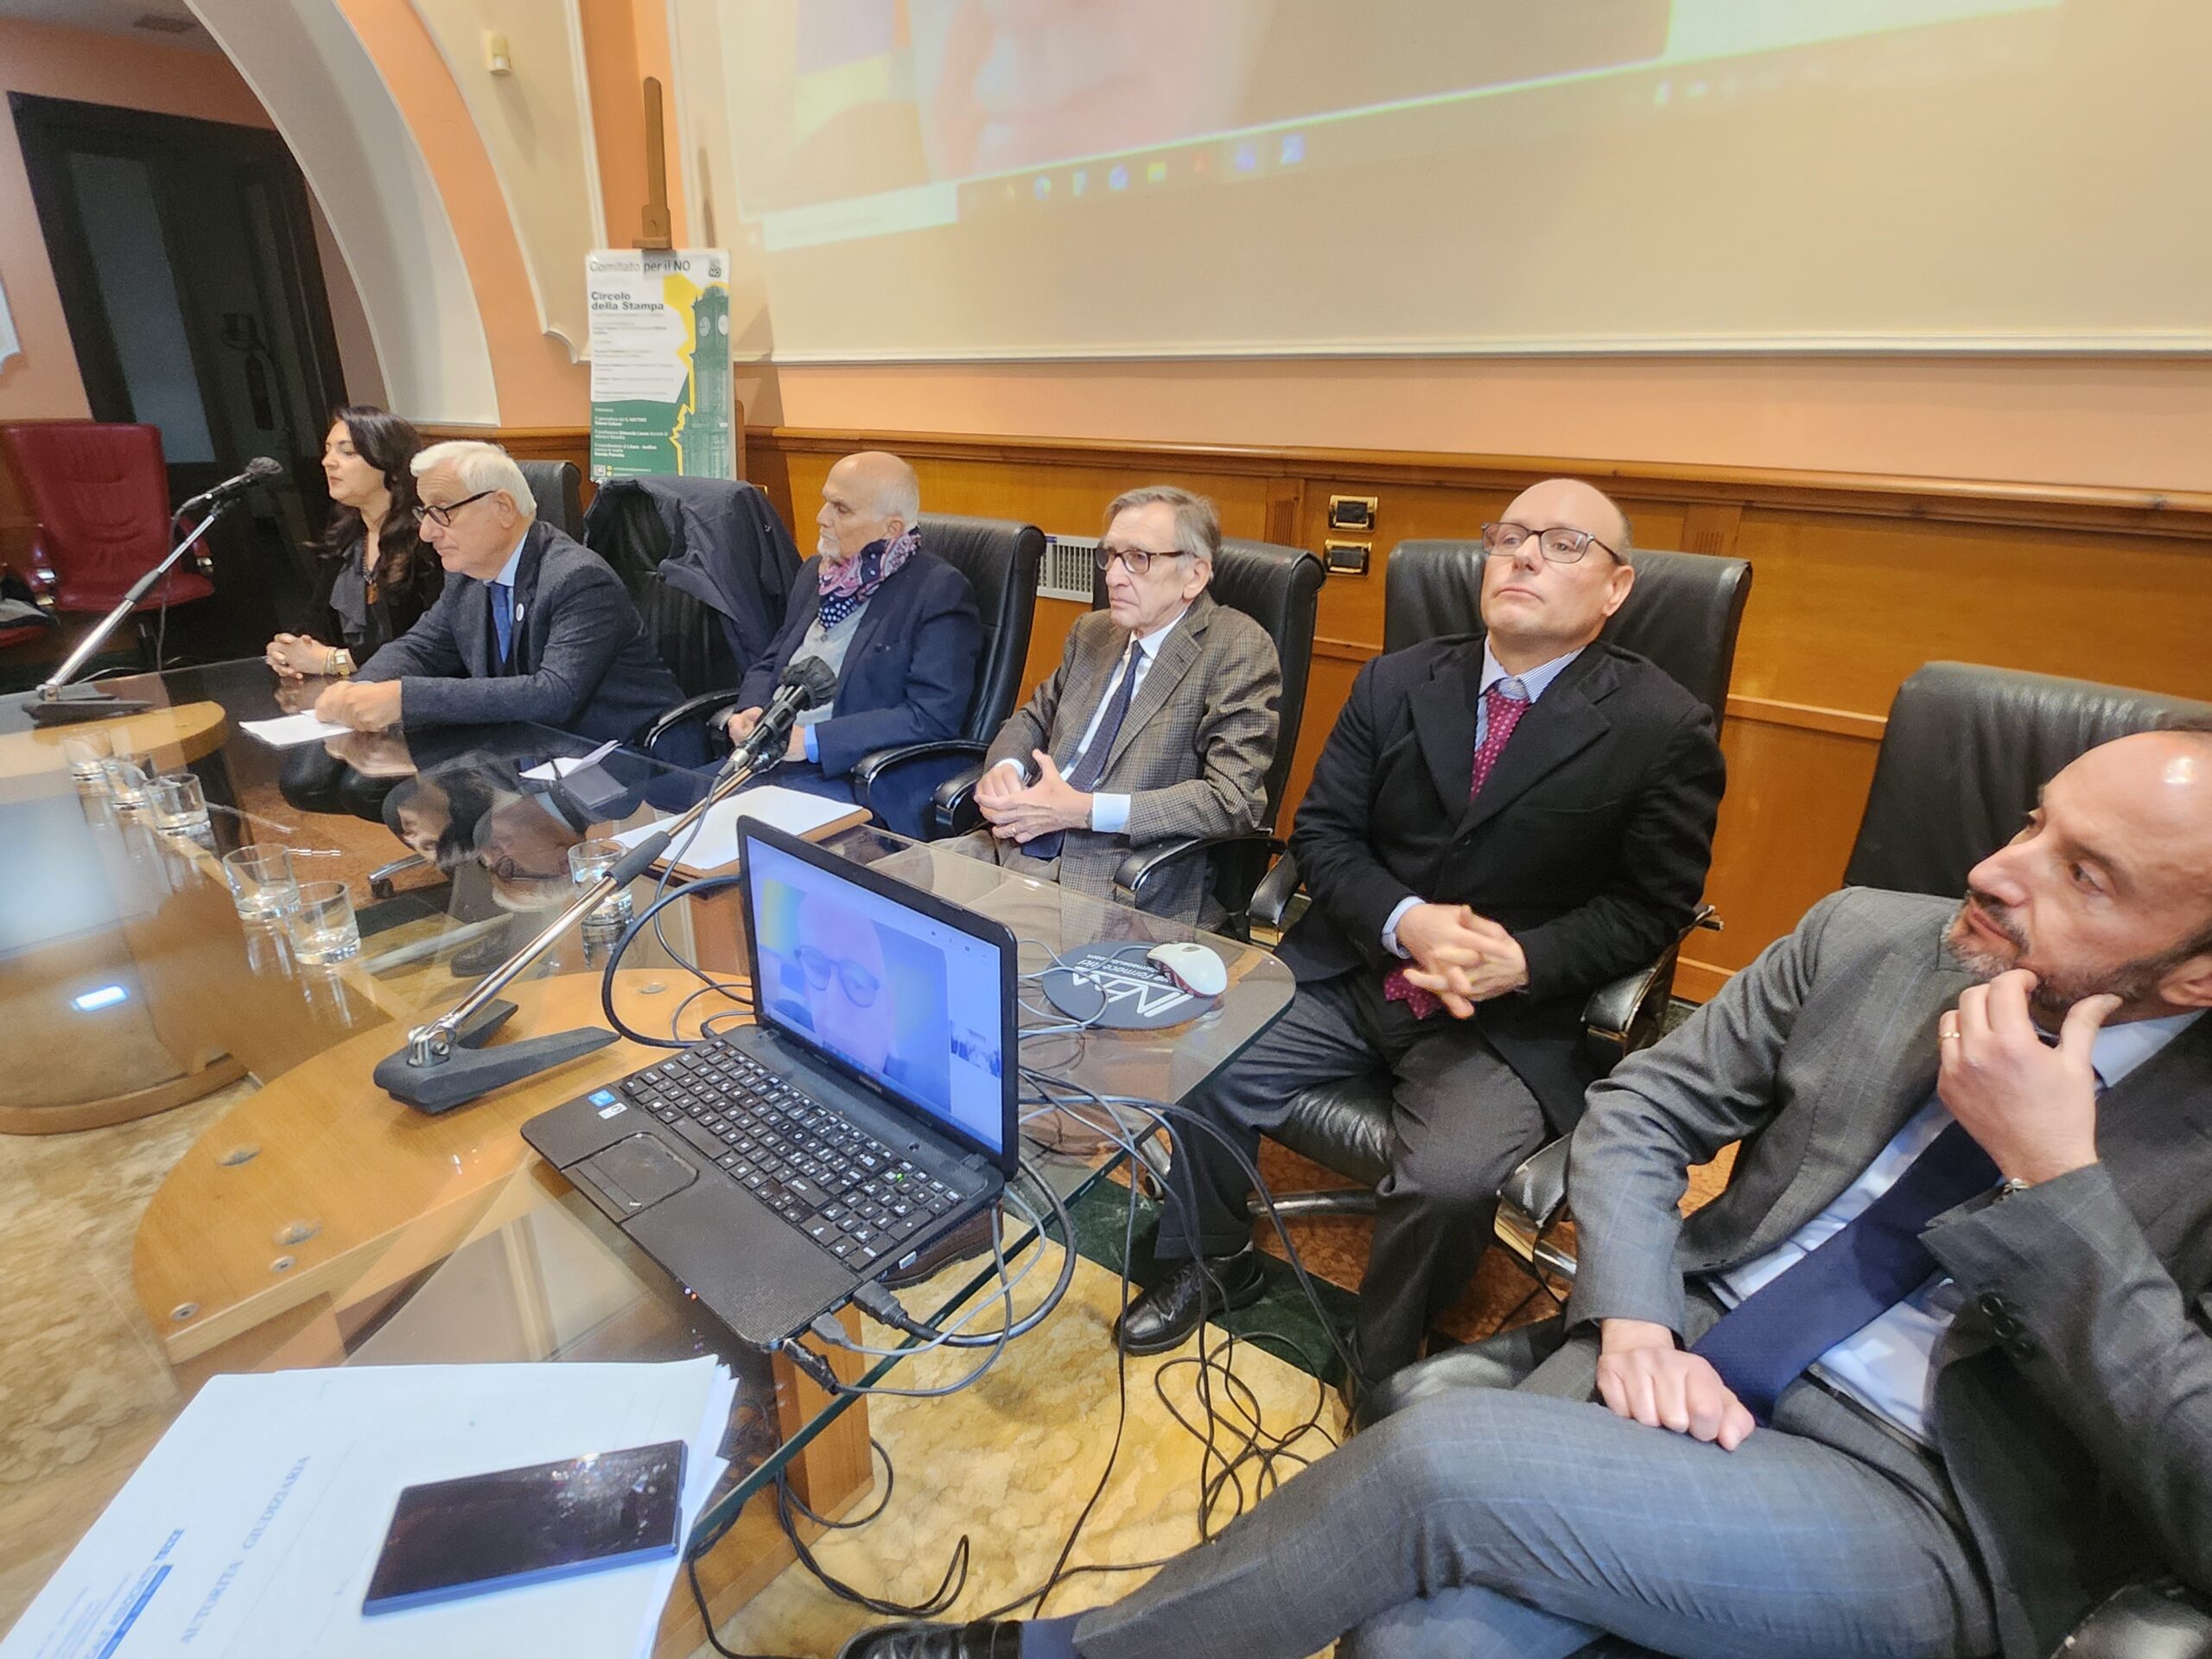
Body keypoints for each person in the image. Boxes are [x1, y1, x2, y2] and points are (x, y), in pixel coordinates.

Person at [834, 721, 2212, 1659]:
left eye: (2083, 874)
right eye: (2033, 824)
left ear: (2198, 971)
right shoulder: (1875, 938)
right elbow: (1648, 1109)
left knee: (1433, 1464)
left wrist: (2058, 1184)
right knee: (1417, 1638)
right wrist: (1638, 1315)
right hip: (1691, 1338)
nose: (1996, 872)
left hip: (1920, 1493)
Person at [1114, 479, 1726, 1382]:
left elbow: (1650, 906)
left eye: (1562, 544)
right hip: (1360, 968)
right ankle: (1211, 1260)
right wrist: (1406, 920)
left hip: (1503, 1019)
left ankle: (1385, 1359)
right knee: (1200, 1059)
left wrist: (1523, 961)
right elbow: (1324, 833)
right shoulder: (1395, 681)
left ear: (1616, 587)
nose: (1523, 556)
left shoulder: (1662, 725)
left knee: (1447, 1182)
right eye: (1508, 536)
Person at [967, 485, 1279, 924]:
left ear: (1194, 575)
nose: (1113, 576)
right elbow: (1034, 717)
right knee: (889, 893)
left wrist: (1084, 810)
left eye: (1138, 558)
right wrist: (1005, 769)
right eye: (1111, 555)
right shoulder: (1094, 631)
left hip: (1110, 883)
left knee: (962, 944)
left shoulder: (1237, 647)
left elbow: (1232, 800)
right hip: (1006, 843)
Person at [314, 441, 683, 745]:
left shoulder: (578, 578)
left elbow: (553, 694)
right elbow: (420, 648)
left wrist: (403, 699)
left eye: (441, 512)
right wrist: (360, 689)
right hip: (531, 747)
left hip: (626, 756)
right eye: (424, 513)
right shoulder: (468, 576)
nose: (426, 532)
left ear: (503, 508)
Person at [721, 451, 981, 806]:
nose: (821, 518)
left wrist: (810, 742)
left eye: (841, 509)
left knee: (731, 826)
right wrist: (751, 709)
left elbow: (932, 715)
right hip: (770, 758)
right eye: (825, 502)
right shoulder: (817, 572)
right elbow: (771, 663)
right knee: (678, 806)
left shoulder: (938, 590)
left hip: (849, 777)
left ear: (891, 528)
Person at [264, 406, 441, 681]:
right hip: (359, 688)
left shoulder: (431, 537)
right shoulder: (348, 538)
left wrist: (335, 661)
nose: (327, 462)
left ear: (391, 466)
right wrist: (289, 648)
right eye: (327, 450)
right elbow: (316, 620)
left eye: (347, 452)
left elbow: (430, 641)